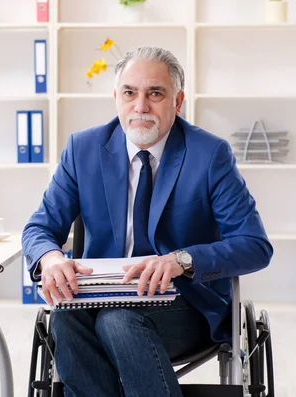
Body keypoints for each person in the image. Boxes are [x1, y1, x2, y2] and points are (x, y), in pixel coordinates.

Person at [21, 46, 273, 397]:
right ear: (116, 98)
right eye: (129, 93)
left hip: (183, 304)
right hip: (99, 296)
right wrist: (51, 258)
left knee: (118, 321)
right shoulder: (82, 149)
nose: (140, 107)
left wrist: (180, 260)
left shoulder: (209, 155)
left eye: (155, 93)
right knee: (65, 317)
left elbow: (255, 245)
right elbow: (39, 228)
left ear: (177, 100)